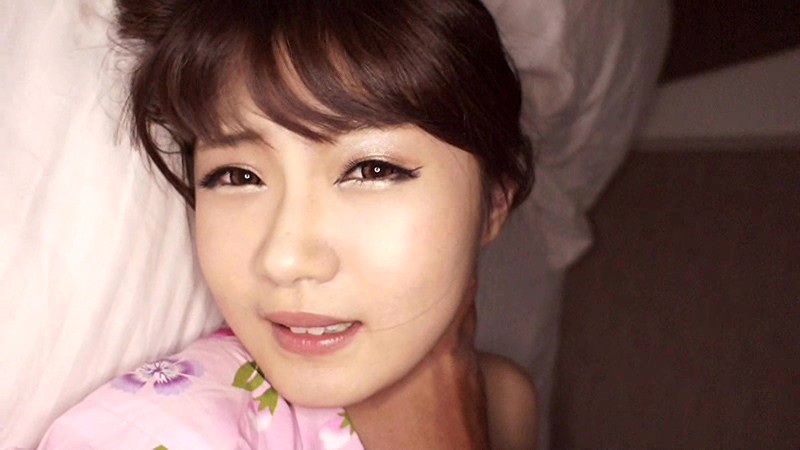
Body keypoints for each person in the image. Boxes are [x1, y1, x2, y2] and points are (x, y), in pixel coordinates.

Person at [38, 0, 536, 448]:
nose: (285, 258)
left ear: (494, 202)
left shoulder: (503, 399)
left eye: (371, 170)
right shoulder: (153, 436)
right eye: (238, 176)